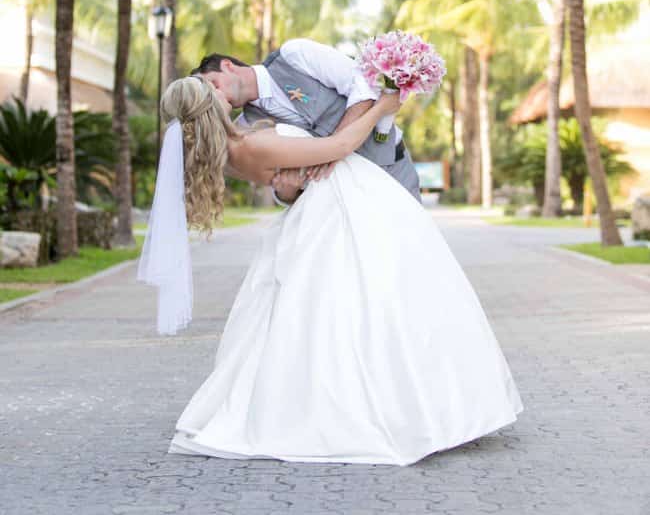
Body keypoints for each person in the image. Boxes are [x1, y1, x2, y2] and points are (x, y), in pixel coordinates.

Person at [138, 75, 523, 466]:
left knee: (337, 310)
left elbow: (287, 184)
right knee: (372, 304)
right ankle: (388, 406)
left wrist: (288, 186)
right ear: (208, 106)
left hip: (324, 207)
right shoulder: (251, 143)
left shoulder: (235, 150)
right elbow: (338, 146)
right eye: (213, 92)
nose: (222, 93)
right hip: (340, 207)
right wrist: (381, 110)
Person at [191, 37, 421, 205]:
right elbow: (278, 185)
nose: (214, 95)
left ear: (228, 66)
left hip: (390, 166)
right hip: (338, 198)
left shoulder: (294, 55)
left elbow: (363, 86)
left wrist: (332, 150)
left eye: (213, 85)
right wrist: (286, 192)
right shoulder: (244, 130)